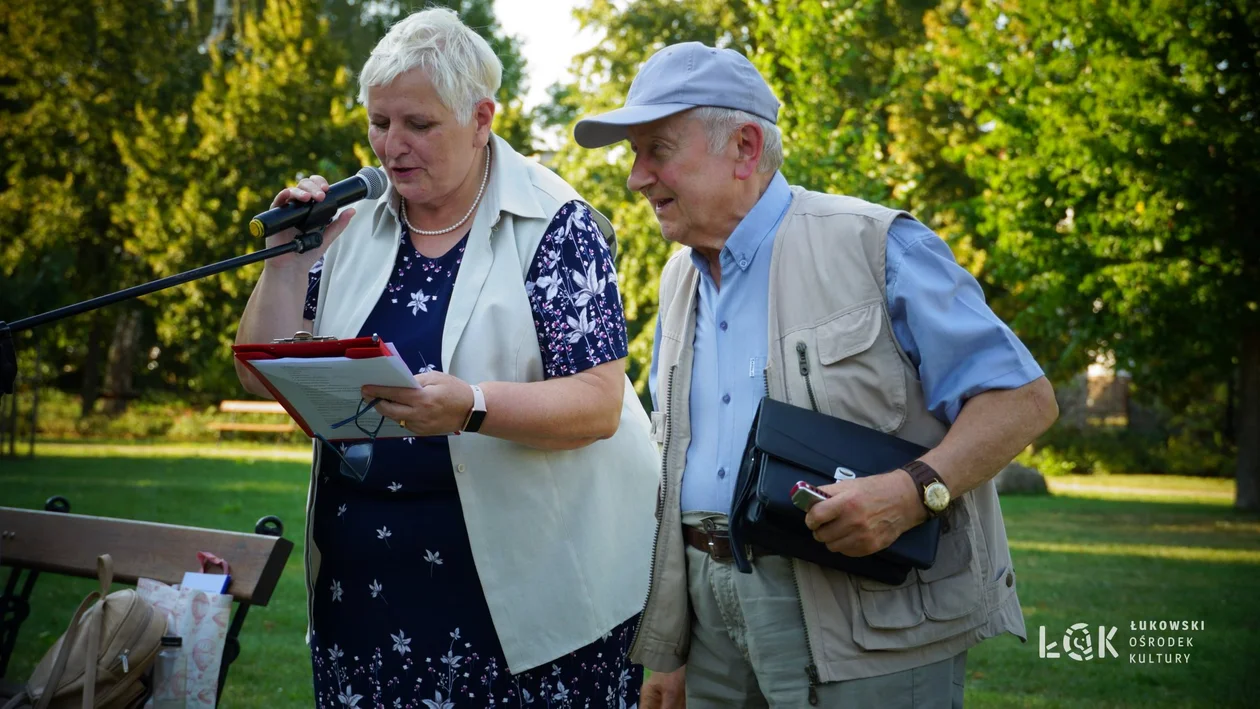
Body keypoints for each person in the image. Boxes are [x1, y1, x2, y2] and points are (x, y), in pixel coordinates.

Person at [574, 42, 1060, 708]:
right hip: (711, 621)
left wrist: (913, 492)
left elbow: (1023, 399)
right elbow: (678, 463)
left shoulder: (875, 243)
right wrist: (675, 643)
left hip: (864, 620)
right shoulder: (677, 276)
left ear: (745, 147)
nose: (635, 177)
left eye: (656, 149)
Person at [234, 9, 658, 707]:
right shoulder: (349, 223)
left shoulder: (557, 221)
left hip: (525, 614)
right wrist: (290, 261)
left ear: (482, 117)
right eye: (378, 123)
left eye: (418, 125)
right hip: (363, 599)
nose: (391, 146)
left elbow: (598, 402)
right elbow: (258, 373)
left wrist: (473, 405)